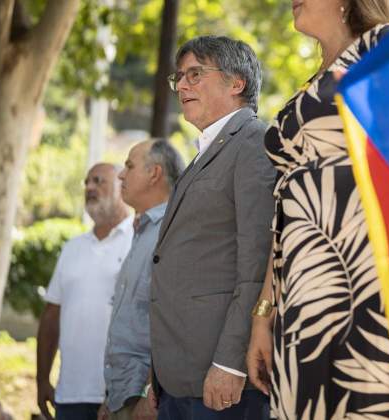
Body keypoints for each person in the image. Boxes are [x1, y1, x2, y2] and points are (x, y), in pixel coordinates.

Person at [246, 1, 389, 418]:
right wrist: (263, 314)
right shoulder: (310, 83)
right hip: (301, 291)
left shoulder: (383, 46)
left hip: (365, 281)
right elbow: (287, 215)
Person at [147, 35, 275, 420]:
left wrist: (231, 362)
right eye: (179, 77)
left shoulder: (253, 141)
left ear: (236, 83)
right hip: (180, 377)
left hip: (222, 380)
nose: (182, 85)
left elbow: (256, 262)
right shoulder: (207, 149)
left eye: (195, 74)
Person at [36, 163, 133, 420]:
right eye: (87, 182)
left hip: (122, 396)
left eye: (99, 181)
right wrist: (42, 378)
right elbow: (50, 316)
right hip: (69, 395)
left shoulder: (140, 240)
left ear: (121, 187)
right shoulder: (72, 248)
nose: (89, 187)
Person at [97, 140, 185, 420]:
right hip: (123, 397)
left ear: (154, 174)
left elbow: (169, 321)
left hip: (147, 402)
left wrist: (150, 394)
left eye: (129, 165)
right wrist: (111, 400)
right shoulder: (143, 229)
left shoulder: (169, 232)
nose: (121, 175)